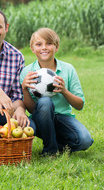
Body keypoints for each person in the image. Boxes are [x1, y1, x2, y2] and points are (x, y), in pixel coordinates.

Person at [20, 27, 93, 155]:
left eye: (49, 43)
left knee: (85, 141)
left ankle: (55, 142)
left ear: (56, 47)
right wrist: (24, 89)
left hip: (62, 118)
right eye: (39, 44)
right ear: (32, 49)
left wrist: (64, 91)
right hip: (40, 118)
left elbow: (79, 105)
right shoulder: (27, 72)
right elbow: (31, 110)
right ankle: (50, 151)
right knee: (45, 102)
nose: (44, 47)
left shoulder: (68, 69)